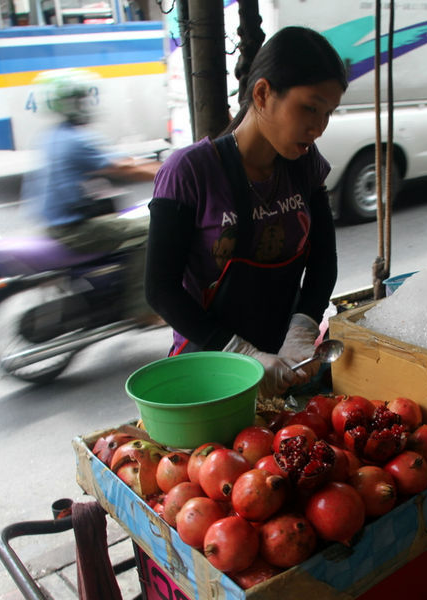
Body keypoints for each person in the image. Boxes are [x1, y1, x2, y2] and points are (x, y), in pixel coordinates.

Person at [144, 26, 348, 398]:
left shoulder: (305, 166)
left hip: (285, 365)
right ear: (263, 93)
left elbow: (323, 261)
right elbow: (161, 289)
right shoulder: (189, 172)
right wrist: (241, 354)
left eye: (327, 113)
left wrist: (302, 332)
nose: (317, 128)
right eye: (309, 108)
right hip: (211, 369)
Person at [23, 68, 162, 326]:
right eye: (81, 100)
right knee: (149, 231)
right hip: (73, 229)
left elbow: (120, 161)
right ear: (72, 104)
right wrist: (169, 172)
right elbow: (124, 168)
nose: (85, 105)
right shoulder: (75, 140)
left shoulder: (54, 136)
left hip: (56, 224)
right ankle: (141, 309)